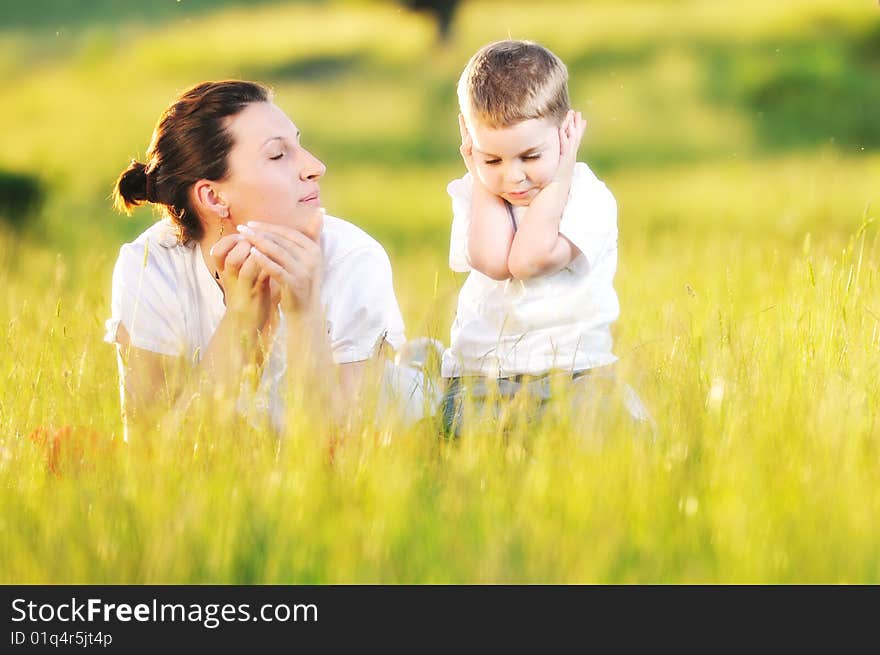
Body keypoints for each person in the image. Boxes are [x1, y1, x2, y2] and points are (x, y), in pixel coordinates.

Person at [106, 80, 433, 437]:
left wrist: (305, 307)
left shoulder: (353, 259)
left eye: (299, 144)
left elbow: (337, 455)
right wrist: (243, 319)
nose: (315, 166)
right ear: (213, 197)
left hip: (409, 429)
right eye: (278, 155)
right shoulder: (151, 268)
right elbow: (153, 454)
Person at [441, 40, 652, 436]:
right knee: (458, 435)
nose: (512, 176)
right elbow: (493, 261)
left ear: (565, 133)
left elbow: (527, 260)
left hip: (573, 372)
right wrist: (478, 174)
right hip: (482, 374)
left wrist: (560, 177)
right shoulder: (477, 192)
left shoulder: (586, 197)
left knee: (602, 432)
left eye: (530, 157)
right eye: (492, 159)